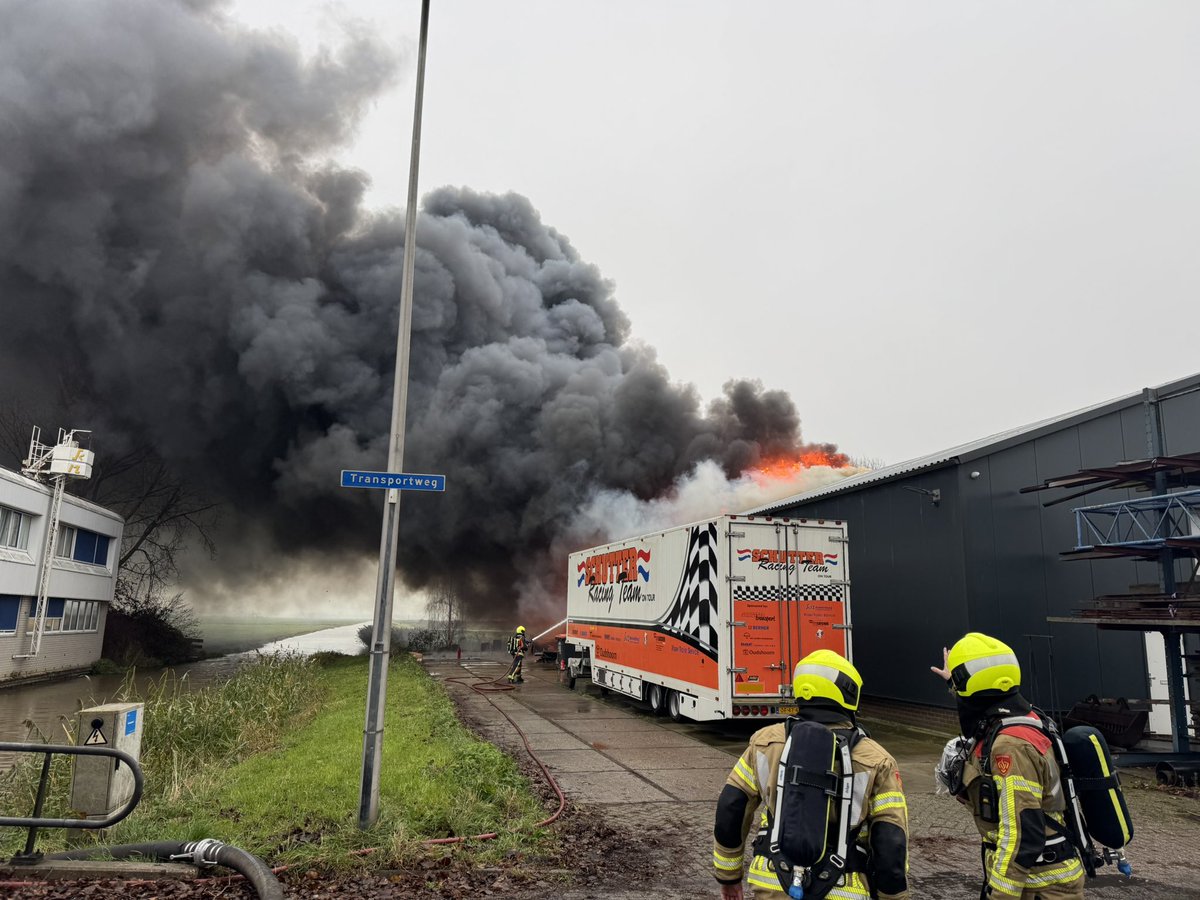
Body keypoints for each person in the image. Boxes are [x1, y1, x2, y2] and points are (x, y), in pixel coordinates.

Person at [712, 649, 910, 899]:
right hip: (844, 890)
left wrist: (728, 877)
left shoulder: (764, 743)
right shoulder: (877, 759)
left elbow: (731, 807)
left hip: (772, 882)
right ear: (849, 695)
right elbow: (891, 841)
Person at [931, 633, 1084, 899]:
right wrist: (954, 682)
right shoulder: (1024, 716)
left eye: (958, 684)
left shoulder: (1010, 746)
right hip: (1038, 877)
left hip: (1038, 885)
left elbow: (1021, 831)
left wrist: (1000, 893)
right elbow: (978, 703)